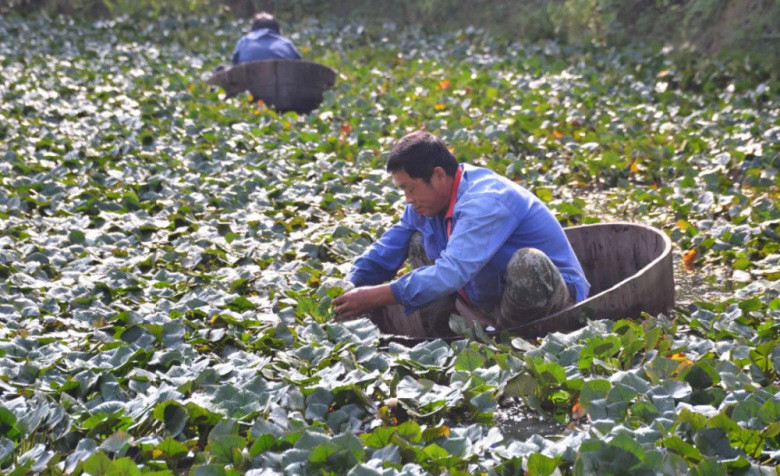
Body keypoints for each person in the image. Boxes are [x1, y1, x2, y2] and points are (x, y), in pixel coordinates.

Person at [333, 131, 590, 336]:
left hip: (553, 298)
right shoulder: (425, 204)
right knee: (415, 242)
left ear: (438, 175)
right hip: (490, 297)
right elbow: (390, 245)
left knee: (528, 262)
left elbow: (452, 271)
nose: (407, 199)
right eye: (403, 191)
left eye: (410, 189)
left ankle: (510, 339)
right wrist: (349, 285)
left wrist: (376, 296)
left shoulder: (486, 201)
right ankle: (443, 338)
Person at [230, 11, 301, 66]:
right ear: (277, 29)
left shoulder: (244, 42)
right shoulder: (287, 44)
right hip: (285, 83)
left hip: (249, 83)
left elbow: (233, 66)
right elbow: (299, 66)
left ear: (253, 29)